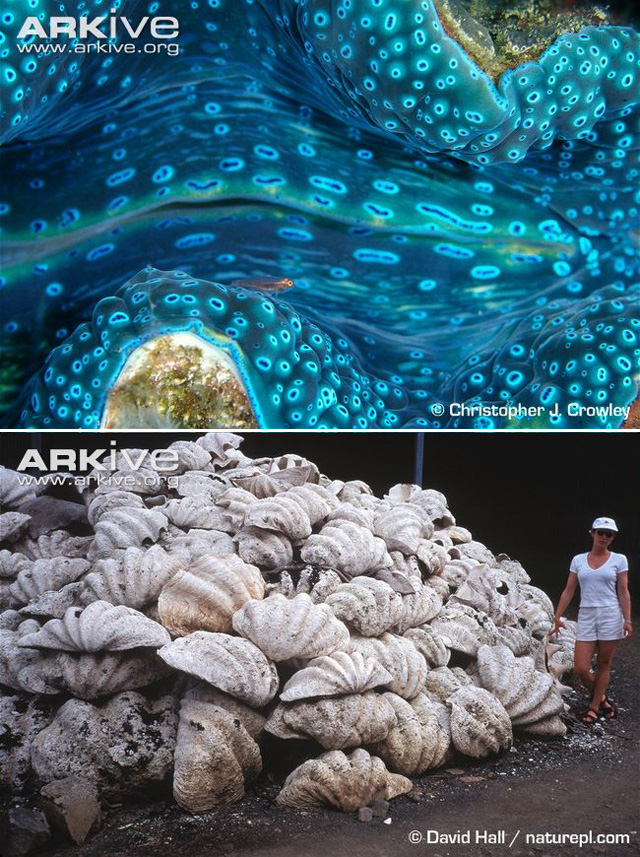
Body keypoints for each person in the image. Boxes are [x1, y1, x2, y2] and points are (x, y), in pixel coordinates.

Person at [552, 516, 632, 724]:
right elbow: (569, 590)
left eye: (609, 534)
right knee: (580, 667)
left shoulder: (619, 560)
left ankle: (594, 707)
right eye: (601, 532)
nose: (604, 537)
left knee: (604, 663)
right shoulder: (578, 560)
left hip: (610, 614)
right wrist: (557, 616)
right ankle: (602, 698)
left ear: (613, 538)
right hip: (587, 614)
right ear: (592, 533)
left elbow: (623, 591)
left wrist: (628, 620)